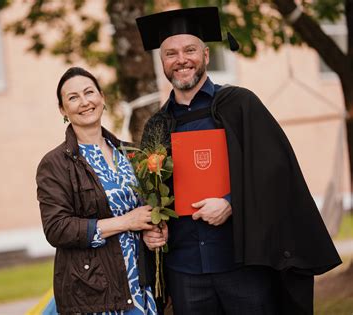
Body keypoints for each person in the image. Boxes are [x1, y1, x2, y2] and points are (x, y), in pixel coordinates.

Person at [135, 7, 342, 315]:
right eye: (171, 54)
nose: (181, 60)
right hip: (185, 271)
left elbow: (276, 175)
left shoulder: (241, 105)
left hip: (242, 265)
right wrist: (153, 226)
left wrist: (231, 203)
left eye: (189, 50)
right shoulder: (156, 126)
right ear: (163, 62)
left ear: (206, 55)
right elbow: (152, 192)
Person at [36, 67, 159, 314]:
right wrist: (126, 222)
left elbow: (145, 213)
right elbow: (57, 229)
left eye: (89, 92)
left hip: (139, 286)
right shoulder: (55, 164)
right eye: (73, 97)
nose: (84, 102)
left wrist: (152, 232)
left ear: (102, 97)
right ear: (63, 109)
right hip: (94, 293)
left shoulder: (132, 154)